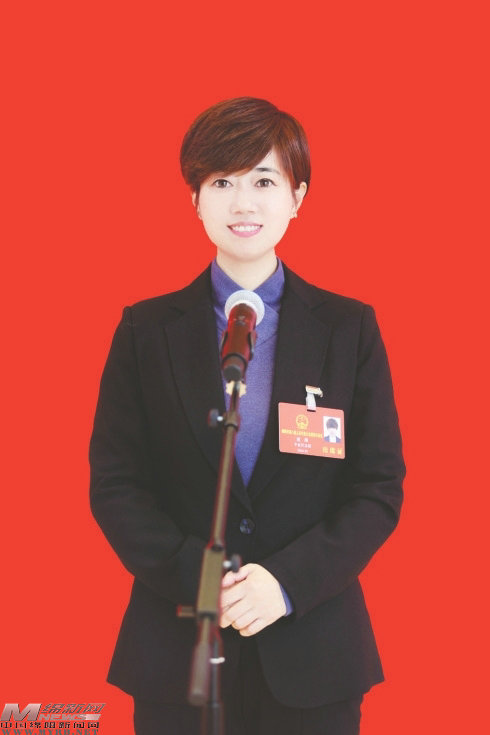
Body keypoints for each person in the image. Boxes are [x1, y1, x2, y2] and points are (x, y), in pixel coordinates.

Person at [89, 96, 405, 735]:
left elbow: (377, 487)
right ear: (195, 199)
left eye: (264, 182)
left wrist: (284, 583)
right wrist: (204, 582)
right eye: (222, 182)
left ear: (297, 197)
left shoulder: (348, 329)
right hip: (179, 651)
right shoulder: (146, 330)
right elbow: (117, 483)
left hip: (313, 652)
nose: (243, 203)